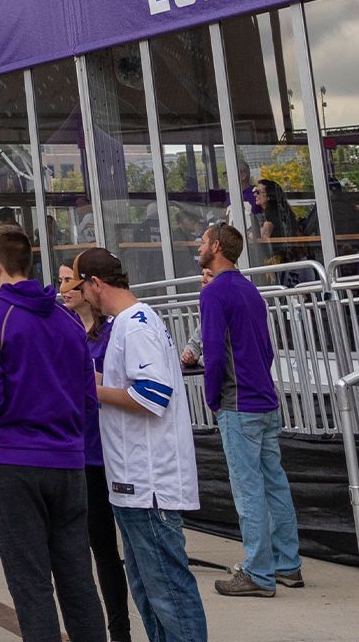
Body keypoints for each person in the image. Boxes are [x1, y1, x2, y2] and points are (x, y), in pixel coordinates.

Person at [0, 227, 105, 642]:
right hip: (68, 462)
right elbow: (87, 396)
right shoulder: (66, 319)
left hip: (17, 460)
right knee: (77, 576)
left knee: (31, 584)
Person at [77, 250, 208, 642]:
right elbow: (127, 381)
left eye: (81, 286)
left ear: (96, 284)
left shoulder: (135, 325)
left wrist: (91, 388)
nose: (81, 295)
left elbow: (153, 395)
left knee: (168, 593)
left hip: (149, 483)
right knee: (150, 593)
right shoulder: (127, 324)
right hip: (133, 484)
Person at [188, 223, 300, 598]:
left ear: (216, 247)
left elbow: (214, 350)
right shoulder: (250, 289)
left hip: (239, 404)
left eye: (203, 241)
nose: (199, 246)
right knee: (275, 484)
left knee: (248, 489)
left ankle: (258, 572)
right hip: (264, 398)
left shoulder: (214, 293)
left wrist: (211, 397)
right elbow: (266, 348)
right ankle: (287, 564)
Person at [59, 259, 133, 642]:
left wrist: (92, 382)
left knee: (123, 551)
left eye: (68, 281)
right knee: (96, 546)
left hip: (115, 453)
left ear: (89, 286)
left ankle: (124, 627)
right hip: (83, 452)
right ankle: (109, 628)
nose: (62, 289)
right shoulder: (69, 331)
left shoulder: (116, 331)